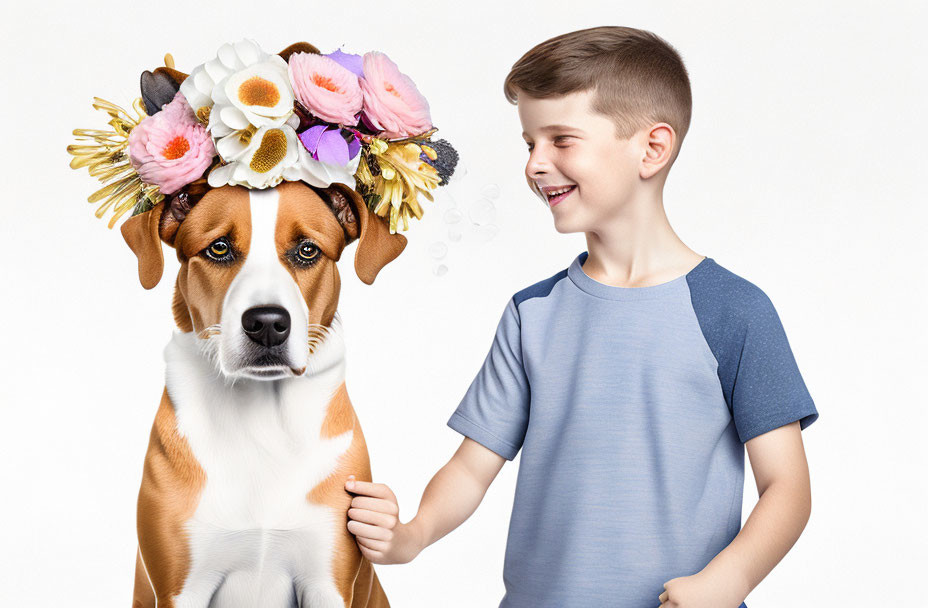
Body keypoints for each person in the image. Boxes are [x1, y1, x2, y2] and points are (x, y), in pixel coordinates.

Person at [344, 26, 819, 608]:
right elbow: (472, 469)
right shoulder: (531, 314)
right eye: (528, 144)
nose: (536, 165)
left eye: (561, 140)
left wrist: (732, 579)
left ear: (652, 149)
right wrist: (411, 535)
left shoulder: (736, 311)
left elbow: (787, 487)